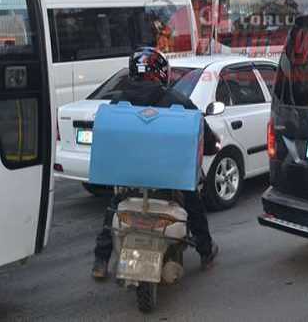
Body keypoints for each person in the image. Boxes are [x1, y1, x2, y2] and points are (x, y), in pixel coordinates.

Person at [92, 47, 220, 279]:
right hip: (170, 175)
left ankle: (101, 260)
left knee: (113, 205)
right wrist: (211, 145)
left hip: (131, 173)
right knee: (193, 203)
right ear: (160, 73)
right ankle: (206, 250)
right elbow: (202, 131)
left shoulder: (118, 103)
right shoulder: (176, 100)